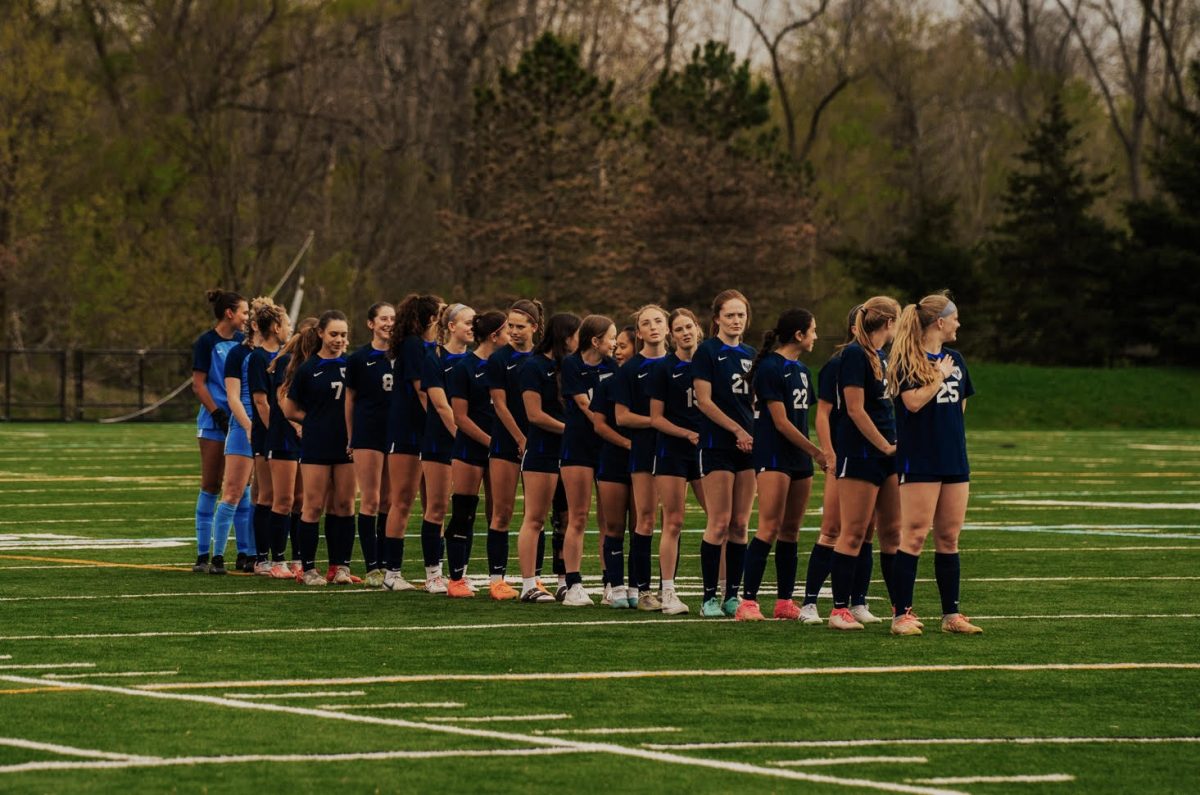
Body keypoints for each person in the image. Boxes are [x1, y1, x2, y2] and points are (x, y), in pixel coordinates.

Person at [887, 293, 982, 636]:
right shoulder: (906, 360)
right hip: (920, 458)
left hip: (953, 458)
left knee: (948, 536)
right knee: (913, 535)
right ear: (940, 322)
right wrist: (937, 377)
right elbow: (912, 403)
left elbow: (960, 407)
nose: (959, 324)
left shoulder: (955, 358)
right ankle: (902, 615)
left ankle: (951, 615)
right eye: (955, 317)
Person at [736, 309, 828, 621]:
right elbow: (781, 422)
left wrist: (812, 451)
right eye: (812, 330)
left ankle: (784, 601)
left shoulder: (802, 370)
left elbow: (803, 421)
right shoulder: (770, 368)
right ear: (799, 335)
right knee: (769, 527)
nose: (816, 336)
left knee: (791, 530)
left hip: (798, 457)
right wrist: (818, 452)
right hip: (774, 455)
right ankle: (747, 602)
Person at [800, 304, 882, 625]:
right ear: (855, 328)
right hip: (845, 455)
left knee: (867, 531)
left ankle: (858, 601)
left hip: (871, 457)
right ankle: (809, 603)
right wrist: (829, 453)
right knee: (833, 529)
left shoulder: (881, 361)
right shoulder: (838, 363)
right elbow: (821, 414)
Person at [828, 296, 902, 630]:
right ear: (889, 322)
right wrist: (884, 445)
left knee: (891, 533)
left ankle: (901, 609)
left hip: (887, 455)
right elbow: (855, 409)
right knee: (854, 532)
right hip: (861, 454)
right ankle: (839, 609)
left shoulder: (881, 356)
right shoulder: (854, 355)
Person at [693, 290, 757, 618]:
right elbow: (705, 401)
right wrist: (736, 430)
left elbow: (755, 402)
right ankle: (708, 599)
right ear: (717, 318)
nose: (735, 321)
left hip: (747, 448)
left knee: (741, 523)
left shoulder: (751, 353)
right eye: (729, 315)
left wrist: (754, 432)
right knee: (718, 521)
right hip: (718, 445)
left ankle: (733, 595)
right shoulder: (707, 351)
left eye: (740, 315)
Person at [281, 310, 357, 586]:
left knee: (345, 505)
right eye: (334, 334)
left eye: (343, 335)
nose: (339, 339)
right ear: (322, 334)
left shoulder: (352, 365)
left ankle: (340, 567)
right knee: (312, 506)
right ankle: (309, 569)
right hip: (316, 444)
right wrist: (314, 422)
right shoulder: (308, 368)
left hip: (346, 446)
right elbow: (289, 408)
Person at [517, 313, 581, 603]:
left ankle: (564, 581)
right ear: (566, 336)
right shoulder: (533, 365)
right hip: (542, 450)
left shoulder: (569, 366)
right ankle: (528, 583)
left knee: (567, 519)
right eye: (577, 334)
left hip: (568, 451)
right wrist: (571, 428)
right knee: (535, 517)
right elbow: (534, 415)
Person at [381, 294, 444, 592]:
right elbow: (423, 391)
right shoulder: (413, 345)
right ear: (432, 318)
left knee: (435, 503)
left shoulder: (427, 346)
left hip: (423, 431)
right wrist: (440, 422)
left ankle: (434, 572)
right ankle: (391, 572)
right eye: (440, 313)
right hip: (408, 430)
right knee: (403, 500)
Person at [445, 310, 509, 598]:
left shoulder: (507, 366)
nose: (513, 335)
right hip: (469, 449)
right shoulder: (464, 367)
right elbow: (460, 416)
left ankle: (498, 579)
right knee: (464, 512)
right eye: (508, 330)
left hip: (500, 451)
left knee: (499, 513)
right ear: (495, 335)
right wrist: (490, 441)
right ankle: (457, 579)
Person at [648, 309, 707, 616]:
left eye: (689, 327)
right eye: (679, 329)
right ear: (672, 336)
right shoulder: (664, 369)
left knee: (720, 520)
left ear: (698, 329)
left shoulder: (710, 363)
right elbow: (656, 418)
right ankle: (667, 591)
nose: (685, 333)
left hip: (708, 450)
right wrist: (686, 433)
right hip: (673, 451)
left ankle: (721, 592)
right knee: (674, 521)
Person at [484, 300, 545, 596]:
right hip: (507, 441)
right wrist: (521, 438)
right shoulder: (498, 360)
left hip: (540, 442)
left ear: (534, 327)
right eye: (511, 326)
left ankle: (535, 578)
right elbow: (499, 404)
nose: (515, 331)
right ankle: (497, 579)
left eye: (521, 326)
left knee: (537, 513)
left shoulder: (543, 358)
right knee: (502, 511)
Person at [613, 305, 670, 611]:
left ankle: (667, 589)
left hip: (675, 450)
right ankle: (643, 590)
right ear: (639, 333)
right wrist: (658, 421)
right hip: (645, 450)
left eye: (659, 321)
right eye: (646, 323)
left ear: (668, 327)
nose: (653, 327)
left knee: (672, 521)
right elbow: (621, 417)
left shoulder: (681, 364)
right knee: (645, 519)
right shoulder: (630, 369)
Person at [559, 314, 617, 607]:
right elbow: (585, 406)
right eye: (611, 337)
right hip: (578, 447)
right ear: (595, 341)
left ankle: (610, 583)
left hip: (605, 448)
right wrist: (608, 426)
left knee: (608, 519)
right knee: (578, 515)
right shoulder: (572, 364)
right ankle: (573, 584)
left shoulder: (613, 366)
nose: (615, 343)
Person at [419, 303, 475, 593]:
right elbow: (440, 405)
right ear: (451, 326)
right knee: (437, 507)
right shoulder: (434, 357)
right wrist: (462, 435)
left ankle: (460, 572)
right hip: (440, 442)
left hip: (468, 445)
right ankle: (433, 573)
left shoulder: (477, 360)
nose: (472, 327)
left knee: (465, 510)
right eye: (467, 322)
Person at [190, 289, 247, 572]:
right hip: (215, 422)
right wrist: (217, 413)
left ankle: (246, 554)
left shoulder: (243, 342)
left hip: (239, 420)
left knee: (241, 488)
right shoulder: (207, 342)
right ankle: (202, 554)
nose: (247, 318)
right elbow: (198, 384)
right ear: (229, 313)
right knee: (211, 485)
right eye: (244, 313)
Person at [345, 302, 396, 587]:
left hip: (396, 434)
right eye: (383, 318)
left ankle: (390, 564)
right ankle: (372, 566)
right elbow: (350, 399)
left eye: (392, 318)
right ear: (371, 324)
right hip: (368, 433)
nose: (389, 323)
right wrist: (351, 435)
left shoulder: (402, 355)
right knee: (372, 499)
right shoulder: (358, 358)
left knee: (390, 500)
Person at [265, 317, 317, 578]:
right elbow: (282, 397)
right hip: (283, 437)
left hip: (304, 440)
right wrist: (298, 425)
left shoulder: (315, 364)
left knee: (300, 501)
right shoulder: (288, 362)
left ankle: (298, 559)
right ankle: (278, 560)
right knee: (283, 499)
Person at [590, 325, 636, 608]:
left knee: (641, 527)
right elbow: (599, 425)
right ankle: (614, 585)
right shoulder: (608, 383)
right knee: (614, 526)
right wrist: (629, 444)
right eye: (616, 345)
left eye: (624, 345)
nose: (618, 351)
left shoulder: (651, 381)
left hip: (645, 463)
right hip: (613, 460)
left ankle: (638, 587)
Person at [247, 300, 290, 576]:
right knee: (267, 495)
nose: (289, 329)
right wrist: (274, 429)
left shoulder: (286, 357)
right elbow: (261, 402)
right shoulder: (258, 358)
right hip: (267, 436)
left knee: (285, 497)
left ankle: (282, 558)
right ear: (275, 327)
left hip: (287, 433)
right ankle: (264, 559)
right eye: (286, 324)